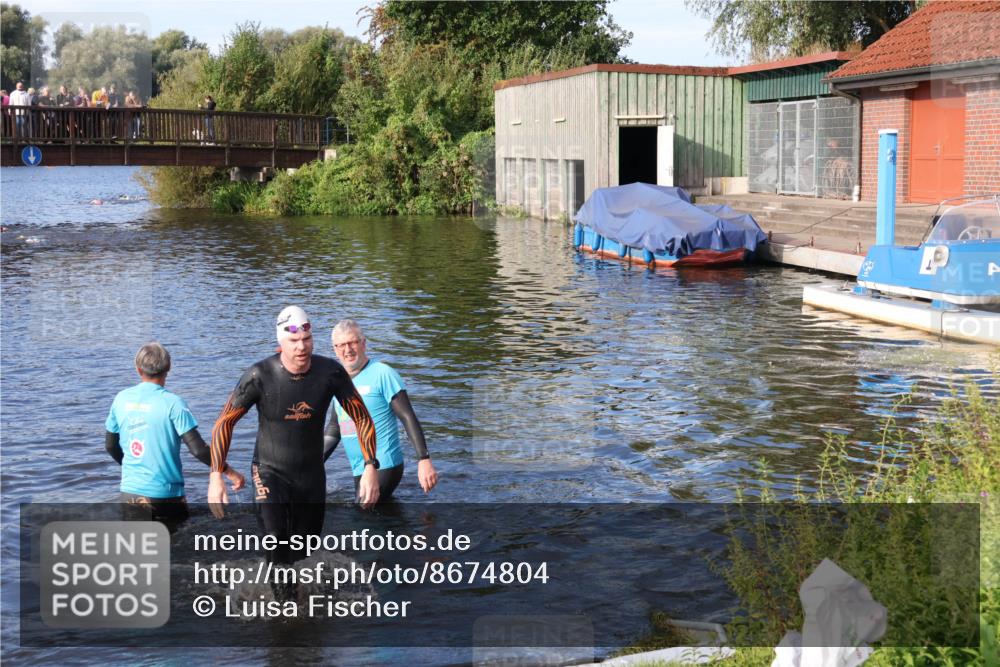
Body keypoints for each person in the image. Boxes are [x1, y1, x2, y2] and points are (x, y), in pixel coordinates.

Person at [208, 306, 380, 594]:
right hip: (269, 470)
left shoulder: (330, 373)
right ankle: (283, 616)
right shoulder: (259, 375)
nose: (302, 347)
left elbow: (361, 416)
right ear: (280, 343)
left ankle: (302, 611)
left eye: (307, 339)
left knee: (303, 553)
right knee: (276, 541)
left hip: (311, 474)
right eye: (294, 341)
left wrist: (370, 467)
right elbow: (225, 423)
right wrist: (216, 475)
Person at [106, 343, 245, 526]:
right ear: (168, 368)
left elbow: (110, 446)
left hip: (130, 493)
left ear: (138, 369)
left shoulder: (121, 399)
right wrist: (229, 472)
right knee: (174, 550)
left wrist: (132, 467)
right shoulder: (174, 404)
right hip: (166, 496)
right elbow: (198, 450)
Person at [327, 319, 438, 501]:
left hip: (383, 463)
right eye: (341, 345)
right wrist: (311, 463)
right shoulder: (338, 381)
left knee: (364, 512)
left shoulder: (382, 373)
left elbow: (407, 416)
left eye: (353, 342)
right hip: (358, 466)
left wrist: (424, 459)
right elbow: (334, 429)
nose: (348, 350)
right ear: (335, 349)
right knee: (376, 516)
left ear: (363, 343)